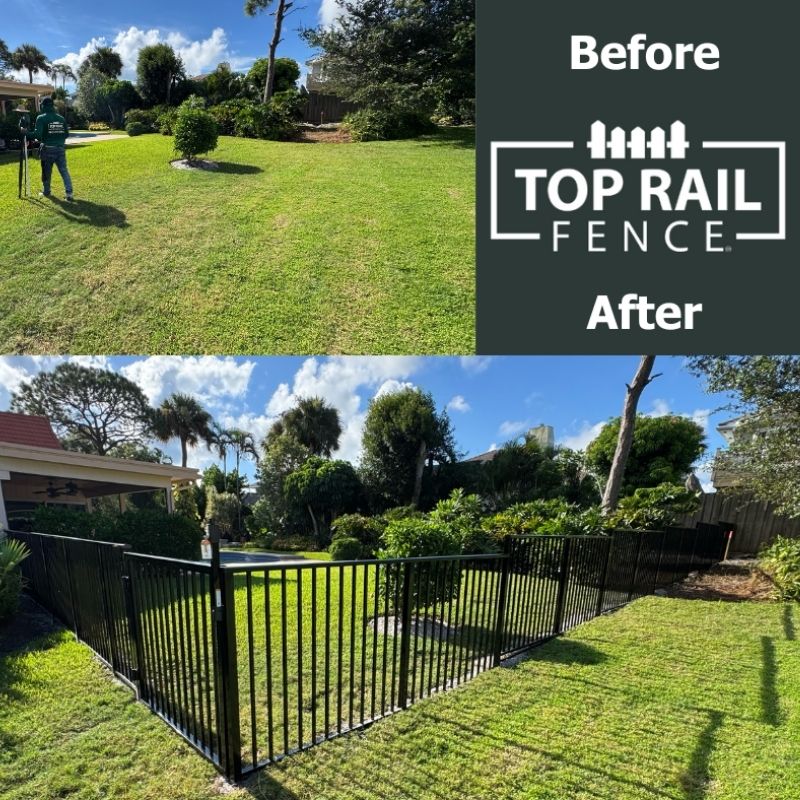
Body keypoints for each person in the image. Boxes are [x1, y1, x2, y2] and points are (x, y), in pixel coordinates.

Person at [33, 97, 73, 201]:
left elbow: (37, 135)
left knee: (46, 172)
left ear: (44, 106)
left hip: (47, 149)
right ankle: (69, 193)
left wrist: (25, 133)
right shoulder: (61, 118)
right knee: (64, 171)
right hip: (60, 149)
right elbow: (66, 134)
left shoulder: (41, 118)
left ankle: (46, 191)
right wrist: (58, 140)